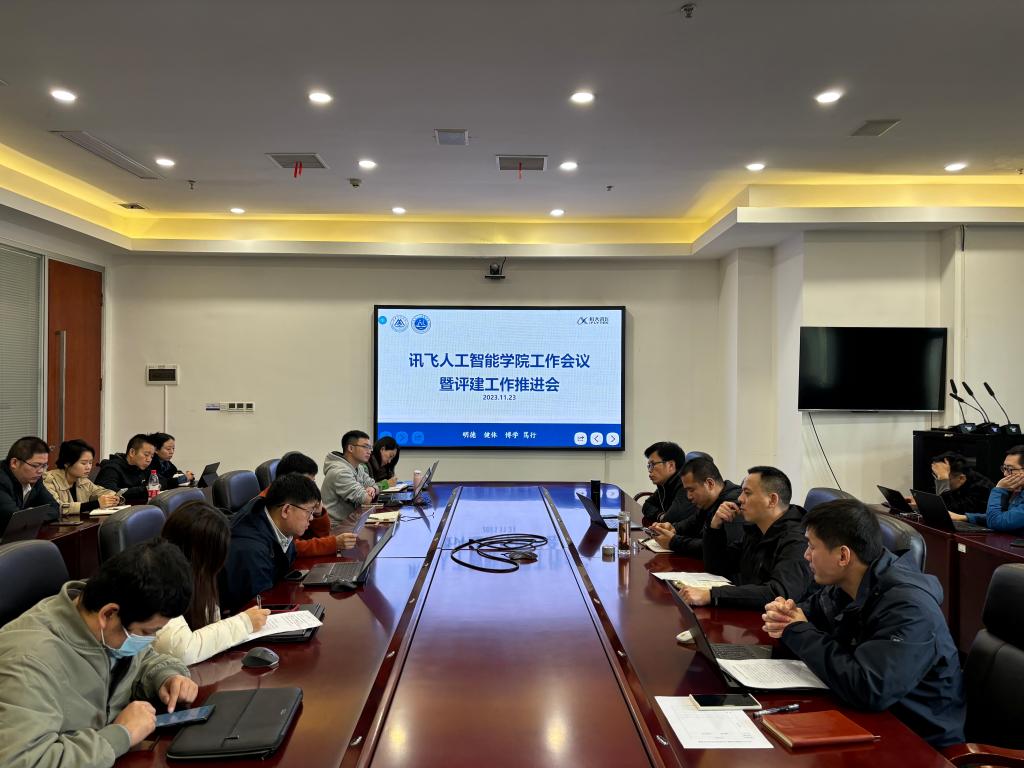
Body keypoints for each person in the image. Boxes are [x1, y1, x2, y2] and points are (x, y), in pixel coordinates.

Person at [763, 499, 965, 747]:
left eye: (812, 546)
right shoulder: (849, 583)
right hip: (870, 720)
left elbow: (868, 688)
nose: (806, 555)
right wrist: (785, 614)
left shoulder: (909, 608)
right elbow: (811, 613)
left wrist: (796, 630)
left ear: (843, 555)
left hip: (917, 740)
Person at [0, 540, 198, 766]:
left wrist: (166, 677)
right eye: (146, 632)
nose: (149, 640)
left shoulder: (104, 625)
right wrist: (120, 734)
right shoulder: (27, 662)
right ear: (108, 614)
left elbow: (141, 659)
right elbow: (23, 762)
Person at [154, 501, 270, 665]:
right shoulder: (156, 580)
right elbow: (182, 650)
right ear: (201, 556)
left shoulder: (200, 577)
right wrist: (244, 623)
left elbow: (210, 626)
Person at [685, 465, 812, 610]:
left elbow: (778, 594)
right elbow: (717, 566)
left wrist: (712, 595)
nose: (740, 499)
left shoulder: (798, 541)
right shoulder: (756, 530)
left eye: (747, 493)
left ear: (772, 500)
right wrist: (715, 528)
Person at [219, 473, 318, 614]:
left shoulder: (279, 526)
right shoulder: (251, 550)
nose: (311, 518)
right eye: (309, 512)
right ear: (286, 510)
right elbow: (257, 608)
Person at [261, 451, 357, 556]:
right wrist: (333, 544)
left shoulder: (300, 500)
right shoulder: (270, 504)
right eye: (307, 482)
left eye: (313, 482)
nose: (311, 487)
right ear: (290, 480)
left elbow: (321, 536)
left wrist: (318, 514)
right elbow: (290, 548)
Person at [650, 456, 741, 557]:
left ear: (710, 484)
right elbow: (693, 522)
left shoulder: (732, 504)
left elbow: (718, 548)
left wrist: (673, 542)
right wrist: (673, 528)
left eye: (691, 490)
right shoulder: (708, 502)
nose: (688, 496)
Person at [43, 439, 120, 516]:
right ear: (67, 463)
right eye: (83, 463)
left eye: (90, 462)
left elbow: (100, 491)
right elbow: (57, 507)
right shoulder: (49, 480)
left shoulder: (83, 480)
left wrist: (115, 497)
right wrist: (96, 503)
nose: (88, 467)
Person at [957, 445, 1024, 532]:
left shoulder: (1010, 489)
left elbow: (996, 522)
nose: (1005, 474)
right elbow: (1004, 516)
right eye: (1004, 468)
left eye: (1010, 469)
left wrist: (999, 489)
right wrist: (964, 517)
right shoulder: (1018, 490)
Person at [0, 435, 59, 534]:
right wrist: (32, 514)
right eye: (35, 465)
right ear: (14, 463)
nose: (41, 471)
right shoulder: (2, 481)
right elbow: (15, 518)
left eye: (44, 466)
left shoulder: (35, 479)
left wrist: (30, 515)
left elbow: (54, 507)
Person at [322, 430, 380, 523]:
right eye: (365, 447)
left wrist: (372, 488)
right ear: (351, 448)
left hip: (353, 521)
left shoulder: (359, 467)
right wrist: (369, 492)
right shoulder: (340, 472)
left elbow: (375, 485)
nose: (370, 451)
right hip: (338, 526)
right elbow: (365, 499)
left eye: (370, 447)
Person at [639, 441, 696, 526]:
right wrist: (660, 515)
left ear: (671, 465)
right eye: (649, 466)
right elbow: (647, 506)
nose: (650, 470)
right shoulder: (665, 485)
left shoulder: (685, 485)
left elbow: (670, 519)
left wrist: (664, 517)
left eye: (653, 464)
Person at [95, 434, 159, 503]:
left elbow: (161, 481)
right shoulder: (111, 468)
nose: (149, 460)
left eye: (151, 456)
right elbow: (110, 494)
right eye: (146, 455)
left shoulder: (141, 467)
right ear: (132, 452)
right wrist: (144, 490)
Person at [929, 452, 993, 517]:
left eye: (943, 478)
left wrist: (943, 481)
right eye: (936, 476)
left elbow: (947, 513)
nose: (938, 482)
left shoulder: (981, 489)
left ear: (961, 478)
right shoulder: (953, 481)